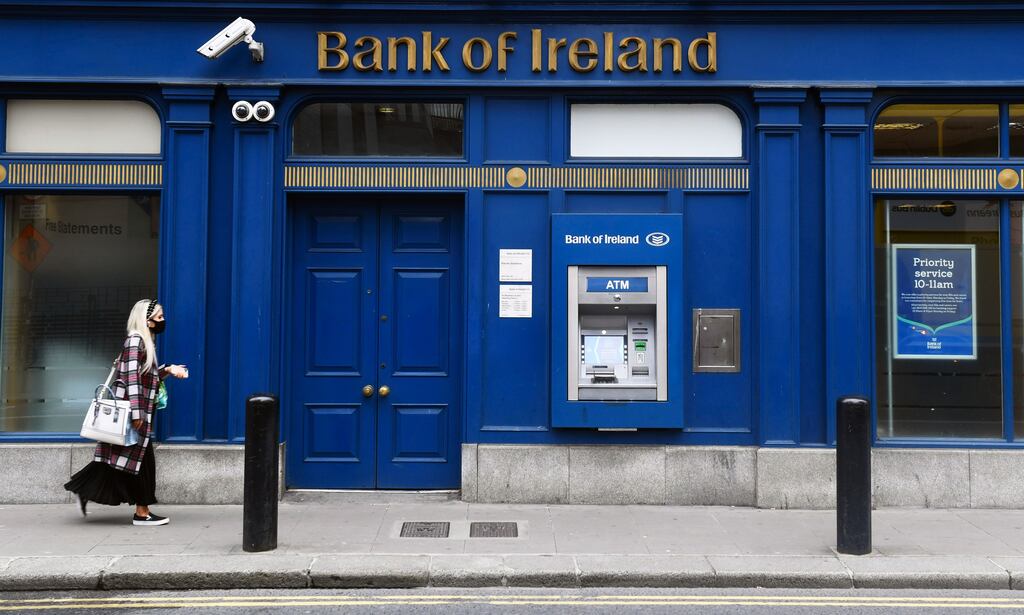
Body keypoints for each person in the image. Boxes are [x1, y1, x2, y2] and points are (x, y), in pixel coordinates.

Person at [64, 299, 188, 526]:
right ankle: (142, 512)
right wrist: (137, 414)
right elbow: (131, 380)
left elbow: (144, 377)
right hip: (133, 416)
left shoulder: (144, 343)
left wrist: (169, 370)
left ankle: (85, 490)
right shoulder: (135, 341)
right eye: (159, 317)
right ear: (146, 320)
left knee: (119, 461)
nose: (162, 321)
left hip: (136, 414)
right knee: (142, 462)